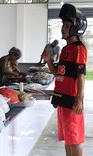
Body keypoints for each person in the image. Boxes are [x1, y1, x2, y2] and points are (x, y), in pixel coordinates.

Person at [42, 3, 87, 156]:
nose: (63, 28)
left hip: (72, 101)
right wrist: (48, 61)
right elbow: (58, 74)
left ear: (75, 28)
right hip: (61, 99)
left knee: (74, 139)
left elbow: (81, 76)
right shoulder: (65, 49)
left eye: (67, 25)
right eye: (63, 25)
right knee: (68, 139)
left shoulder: (79, 49)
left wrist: (79, 100)